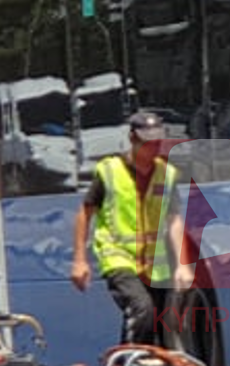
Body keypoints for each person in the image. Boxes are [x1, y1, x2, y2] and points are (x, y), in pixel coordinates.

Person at [71, 110, 191, 346]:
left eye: (157, 143)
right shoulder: (110, 171)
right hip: (118, 256)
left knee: (155, 323)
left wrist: (183, 264)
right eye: (148, 143)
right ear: (133, 139)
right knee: (141, 308)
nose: (154, 148)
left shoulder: (166, 175)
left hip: (155, 262)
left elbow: (174, 218)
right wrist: (80, 260)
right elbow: (85, 213)